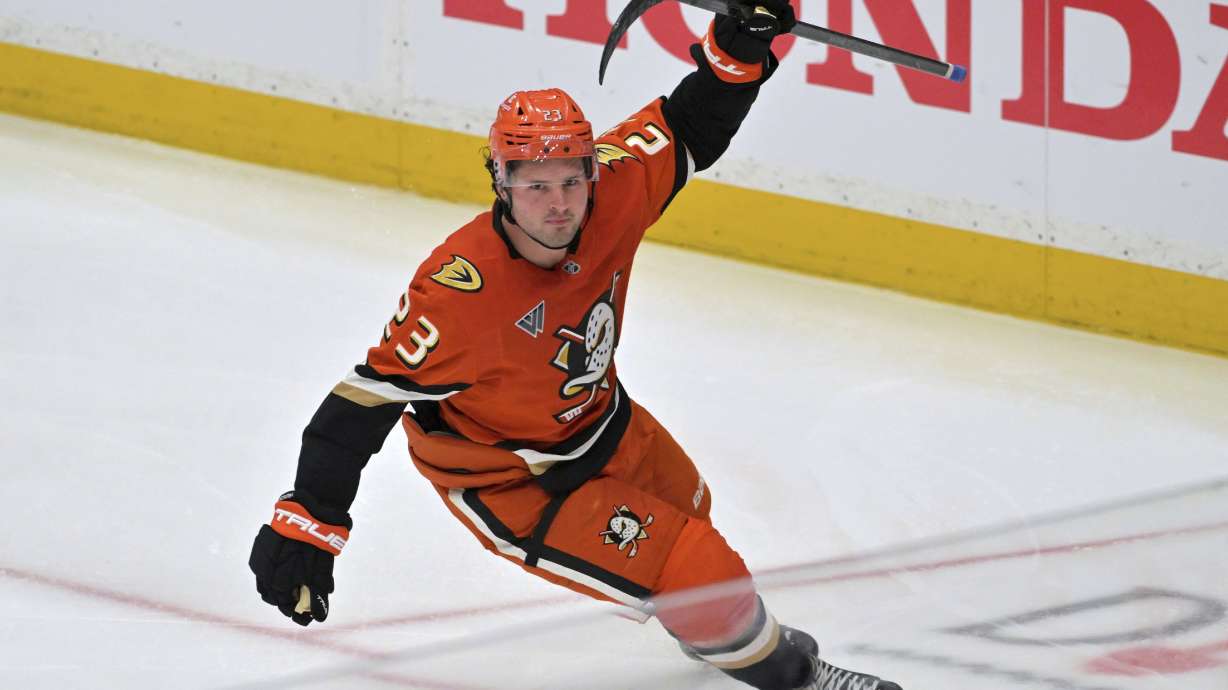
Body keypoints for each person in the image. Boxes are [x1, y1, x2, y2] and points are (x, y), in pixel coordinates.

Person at [249, 3, 901, 689]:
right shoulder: (460, 292)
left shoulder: (611, 190)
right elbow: (363, 404)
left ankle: (716, 630)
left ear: (592, 172)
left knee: (694, 516)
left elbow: (688, 127)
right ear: (501, 182)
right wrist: (309, 521)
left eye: (570, 181)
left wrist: (737, 52)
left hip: (604, 424)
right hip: (515, 482)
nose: (558, 203)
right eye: (535, 186)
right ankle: (800, 678)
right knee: (698, 569)